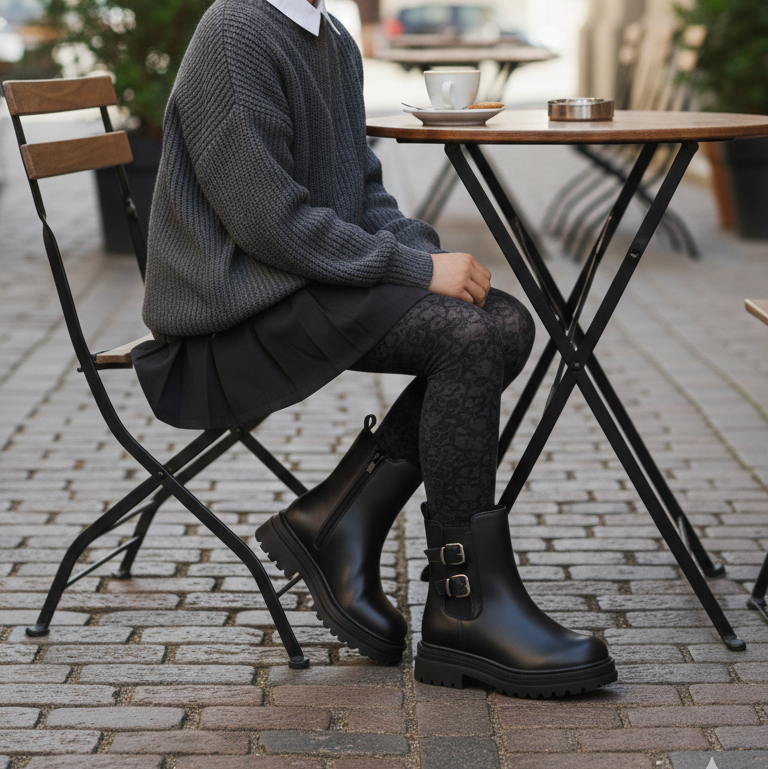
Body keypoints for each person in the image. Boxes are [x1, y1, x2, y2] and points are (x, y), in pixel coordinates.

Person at [133, 0, 617, 697]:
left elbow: (363, 195)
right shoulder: (235, 30)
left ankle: (345, 522)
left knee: (501, 320)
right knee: (468, 335)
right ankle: (462, 605)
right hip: (234, 313)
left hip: (299, 287)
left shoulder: (330, 37)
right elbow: (271, 223)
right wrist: (418, 272)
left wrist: (431, 259)